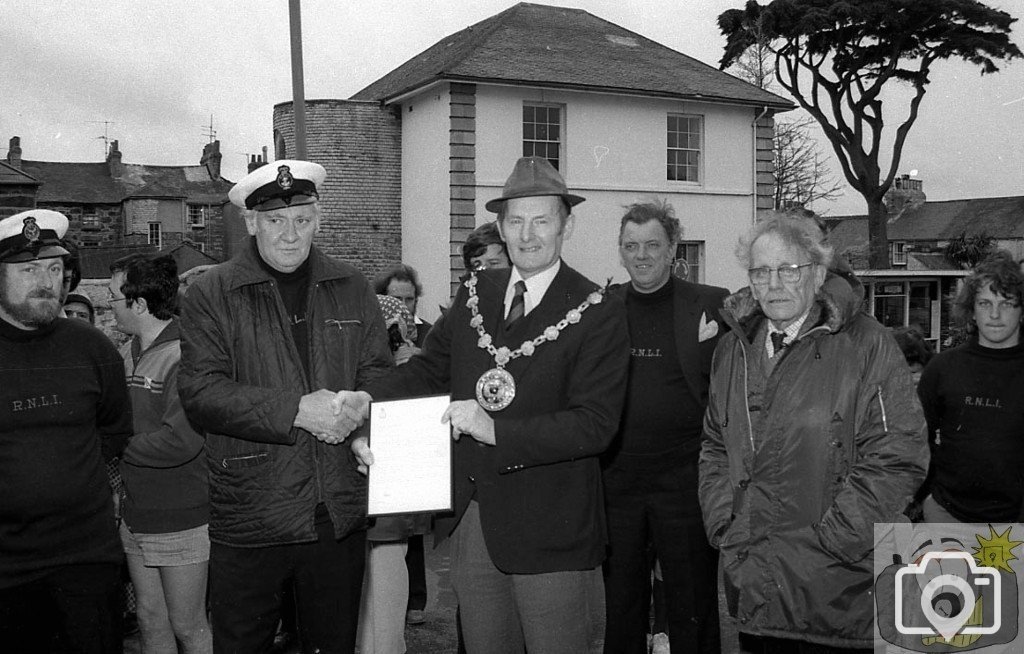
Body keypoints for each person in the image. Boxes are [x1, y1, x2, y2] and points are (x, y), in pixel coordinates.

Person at [359, 156, 630, 653]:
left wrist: (494, 430)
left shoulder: (599, 309)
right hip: (475, 522)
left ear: (566, 225)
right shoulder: (476, 292)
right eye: (516, 220)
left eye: (542, 220)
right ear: (501, 227)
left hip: (554, 527)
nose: (528, 234)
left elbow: (596, 426)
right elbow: (425, 371)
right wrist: (364, 399)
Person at [178, 160, 393, 652]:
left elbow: (378, 372)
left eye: (302, 219)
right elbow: (200, 392)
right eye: (275, 221)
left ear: (319, 219)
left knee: (331, 644)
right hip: (252, 512)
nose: (291, 235)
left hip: (336, 510)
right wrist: (296, 409)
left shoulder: (353, 285)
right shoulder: (212, 292)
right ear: (251, 223)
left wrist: (364, 413)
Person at [699, 214, 928, 652]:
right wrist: (725, 521)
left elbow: (898, 455)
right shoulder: (733, 349)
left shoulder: (866, 345)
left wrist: (838, 537)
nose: (774, 283)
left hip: (837, 588)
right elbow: (714, 443)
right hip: (758, 584)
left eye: (789, 269)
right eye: (761, 271)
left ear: (818, 274)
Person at [0, 209, 132, 652]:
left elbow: (115, 429)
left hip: (87, 559)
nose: (45, 280)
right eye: (29, 269)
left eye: (54, 268)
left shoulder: (91, 346)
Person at [603, 200, 727, 654]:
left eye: (653, 244)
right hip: (617, 479)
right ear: (619, 251)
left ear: (673, 247)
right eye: (631, 246)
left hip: (687, 477)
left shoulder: (712, 304)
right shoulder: (602, 307)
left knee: (692, 599)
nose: (642, 255)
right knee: (621, 601)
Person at [109, 253, 211, 653]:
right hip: (136, 514)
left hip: (180, 517)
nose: (109, 308)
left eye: (115, 299)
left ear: (139, 304)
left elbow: (181, 441)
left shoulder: (184, 356)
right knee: (151, 620)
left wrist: (116, 444)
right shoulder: (127, 351)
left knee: (188, 625)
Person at [917, 250, 1024, 523]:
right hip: (946, 513)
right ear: (972, 311)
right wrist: (924, 498)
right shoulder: (942, 368)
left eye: (1007, 303)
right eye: (985, 303)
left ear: (1021, 311)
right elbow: (914, 440)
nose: (995, 314)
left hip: (1015, 526)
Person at [357, 294, 433, 653]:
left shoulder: (410, 370)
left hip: (388, 502)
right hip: (376, 501)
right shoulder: (392, 370)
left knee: (382, 592)